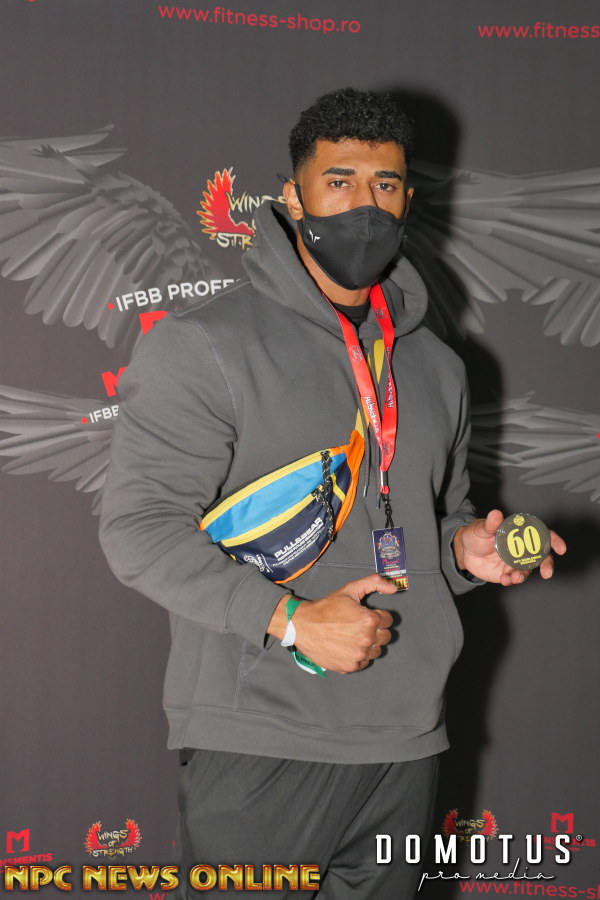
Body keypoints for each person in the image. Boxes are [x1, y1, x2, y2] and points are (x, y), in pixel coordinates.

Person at [99, 87, 566, 898]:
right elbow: (138, 529)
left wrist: (467, 550)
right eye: (339, 181)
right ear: (293, 197)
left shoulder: (438, 368)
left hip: (407, 738)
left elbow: (426, 528)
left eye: (385, 185)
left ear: (408, 200)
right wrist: (290, 620)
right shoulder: (205, 346)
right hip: (263, 740)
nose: (364, 206)